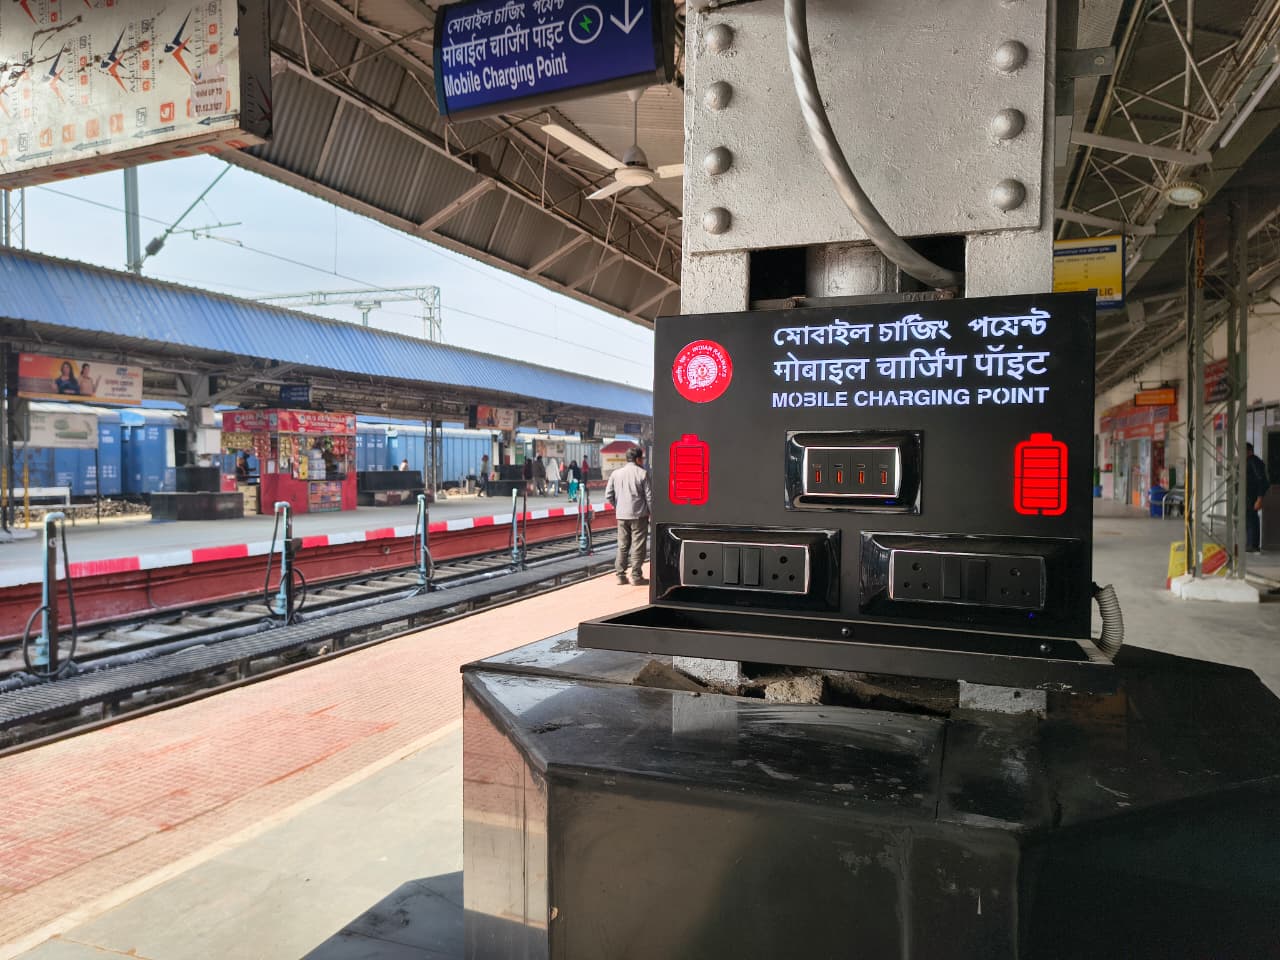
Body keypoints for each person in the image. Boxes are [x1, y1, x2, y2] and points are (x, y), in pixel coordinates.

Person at [605, 447, 652, 585]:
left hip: (621, 515)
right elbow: (649, 497)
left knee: (623, 545)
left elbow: (608, 495)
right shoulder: (643, 473)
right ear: (637, 459)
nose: (642, 461)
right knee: (638, 546)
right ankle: (636, 576)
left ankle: (620, 575)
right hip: (639, 516)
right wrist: (652, 513)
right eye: (642, 458)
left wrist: (618, 507)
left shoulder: (616, 474)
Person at [1246, 441, 1270, 553]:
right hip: (1247, 497)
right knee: (1248, 520)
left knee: (1252, 520)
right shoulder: (1247, 462)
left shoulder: (1254, 462)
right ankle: (1249, 543)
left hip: (1253, 497)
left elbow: (1262, 481)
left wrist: (1259, 498)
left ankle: (1253, 545)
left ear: (1249, 451)